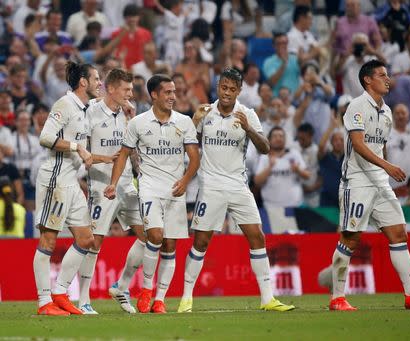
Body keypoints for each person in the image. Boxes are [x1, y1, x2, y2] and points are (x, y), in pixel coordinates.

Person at [177, 67, 295, 313]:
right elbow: (185, 144)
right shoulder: (205, 113)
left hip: (238, 185)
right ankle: (186, 298)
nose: (227, 93)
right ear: (218, 86)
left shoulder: (247, 114)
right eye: (224, 87)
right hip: (210, 186)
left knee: (257, 236)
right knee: (201, 241)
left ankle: (267, 299)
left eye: (232, 89)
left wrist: (249, 129)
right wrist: (194, 121)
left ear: (239, 91)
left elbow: (265, 148)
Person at [329, 59, 410, 311]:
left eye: (387, 74)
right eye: (381, 75)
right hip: (357, 181)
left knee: (399, 233)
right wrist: (387, 166)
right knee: (350, 237)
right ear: (367, 79)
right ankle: (337, 297)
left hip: (380, 182)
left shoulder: (387, 111)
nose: (387, 78)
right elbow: (358, 145)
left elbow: (379, 147)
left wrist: (386, 170)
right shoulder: (356, 106)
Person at [104, 74, 200, 314]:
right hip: (149, 188)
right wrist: (113, 183)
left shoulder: (184, 121)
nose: (173, 97)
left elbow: (195, 158)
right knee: (154, 236)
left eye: (174, 92)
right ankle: (146, 290)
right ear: (154, 95)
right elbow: (124, 154)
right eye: (167, 92)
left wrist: (186, 180)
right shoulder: (138, 123)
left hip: (175, 190)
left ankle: (159, 299)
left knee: (170, 245)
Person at [33, 61, 102, 316]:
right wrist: (77, 147)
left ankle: (60, 292)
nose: (99, 83)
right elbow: (45, 137)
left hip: (72, 183)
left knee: (86, 239)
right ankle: (44, 302)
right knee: (48, 240)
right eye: (96, 79)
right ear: (83, 82)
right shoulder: (64, 104)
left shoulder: (83, 108)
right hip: (55, 179)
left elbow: (106, 102)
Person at [77, 69, 146, 315]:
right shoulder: (91, 112)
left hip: (127, 184)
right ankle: (83, 299)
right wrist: (102, 160)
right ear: (112, 88)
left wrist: (132, 119)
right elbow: (80, 152)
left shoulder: (129, 113)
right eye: (127, 89)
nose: (131, 94)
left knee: (149, 237)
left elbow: (131, 149)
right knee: (94, 242)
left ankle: (121, 286)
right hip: (100, 185)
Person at [254, 126, 309, 208]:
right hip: (271, 207)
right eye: (275, 136)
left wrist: (298, 170)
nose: (278, 138)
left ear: (285, 139)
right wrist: (270, 167)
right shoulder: (264, 157)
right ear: (269, 139)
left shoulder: (294, 154)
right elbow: (257, 182)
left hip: (295, 206)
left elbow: (308, 176)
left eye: (281, 136)